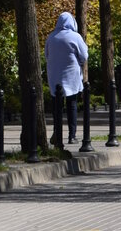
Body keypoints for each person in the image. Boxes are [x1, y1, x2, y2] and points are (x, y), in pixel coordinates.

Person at [44, 11, 88, 144]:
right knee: (72, 105)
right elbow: (84, 56)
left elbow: (46, 55)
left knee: (57, 107)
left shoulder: (51, 37)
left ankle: (57, 134)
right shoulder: (75, 37)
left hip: (54, 76)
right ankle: (72, 136)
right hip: (71, 76)